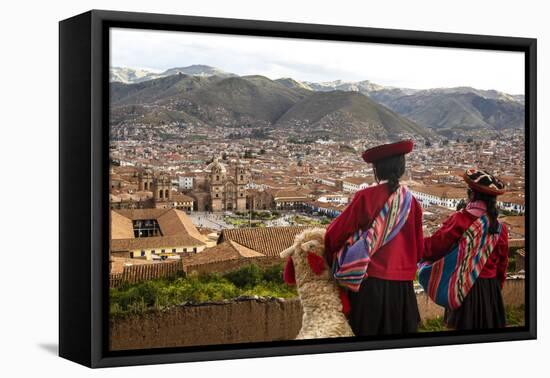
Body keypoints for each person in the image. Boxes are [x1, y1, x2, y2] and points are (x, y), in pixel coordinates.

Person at [324, 140, 424, 336]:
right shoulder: (412, 203)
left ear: (377, 170)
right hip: (403, 290)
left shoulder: (365, 197)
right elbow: (418, 250)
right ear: (401, 168)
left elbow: (334, 235)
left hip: (370, 286)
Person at [423, 168, 509, 330]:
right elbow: (502, 265)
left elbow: (435, 248)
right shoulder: (500, 228)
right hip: (489, 290)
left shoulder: (460, 220)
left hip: (462, 287)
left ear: (471, 194)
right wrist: (495, 289)